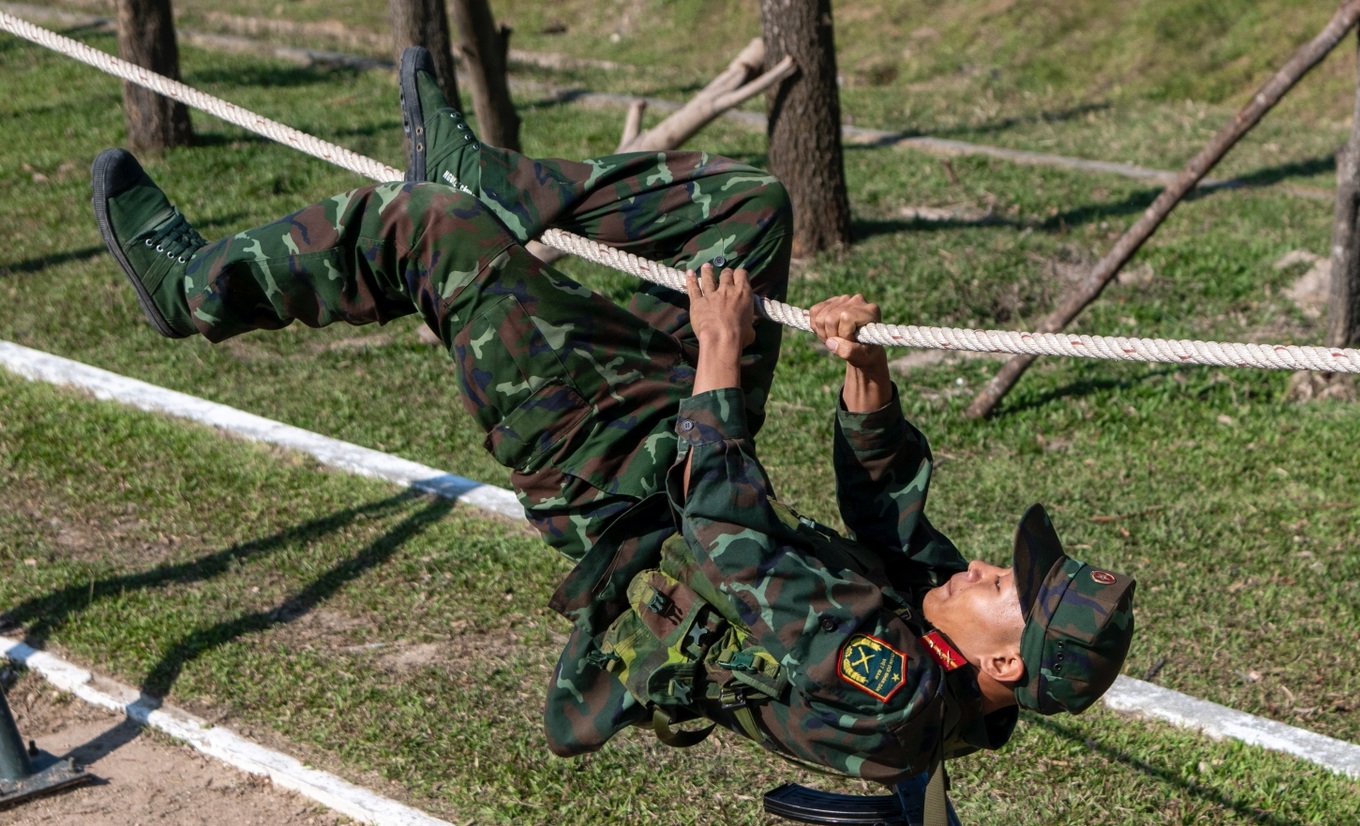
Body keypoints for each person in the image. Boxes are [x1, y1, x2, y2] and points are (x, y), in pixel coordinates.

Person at [88, 50, 1135, 783]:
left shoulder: (893, 688)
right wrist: (866, 374)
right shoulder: (948, 639)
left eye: (1007, 587)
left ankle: (201, 290)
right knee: (749, 213)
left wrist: (720, 356)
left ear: (1007, 665)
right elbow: (893, 527)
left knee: (434, 234)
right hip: (685, 454)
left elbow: (727, 547)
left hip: (617, 493)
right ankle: (499, 180)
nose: (990, 568)